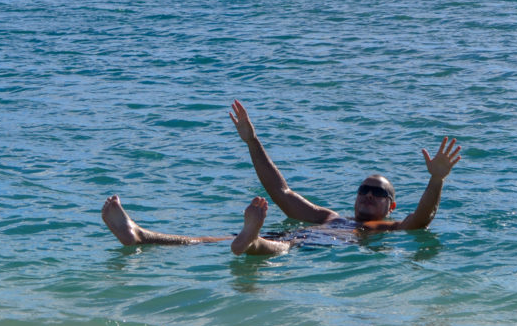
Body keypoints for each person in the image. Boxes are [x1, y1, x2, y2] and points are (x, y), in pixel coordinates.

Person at [100, 101, 462, 255]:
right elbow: (280, 190)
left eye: (377, 192)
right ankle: (141, 235)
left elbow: (421, 221)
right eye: (363, 189)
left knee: (286, 247)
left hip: (313, 249)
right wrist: (251, 141)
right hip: (293, 235)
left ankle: (252, 242)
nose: (368, 195)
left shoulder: (386, 229)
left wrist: (437, 180)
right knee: (208, 240)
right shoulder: (329, 217)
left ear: (390, 204)